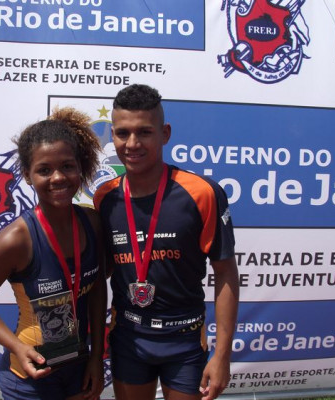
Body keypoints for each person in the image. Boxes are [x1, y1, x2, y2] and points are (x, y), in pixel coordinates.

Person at [93, 84, 239, 400]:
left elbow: (226, 272)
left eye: (144, 132)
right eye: (122, 133)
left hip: (184, 339)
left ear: (165, 133)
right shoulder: (104, 197)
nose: (132, 143)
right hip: (129, 336)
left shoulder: (202, 193)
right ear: (113, 136)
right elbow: (104, 269)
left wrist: (222, 355)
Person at [0, 107, 107, 400]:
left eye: (67, 166)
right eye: (44, 170)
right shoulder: (15, 240)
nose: (58, 177)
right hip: (31, 378)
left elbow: (97, 287)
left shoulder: (92, 222)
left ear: (80, 167)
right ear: (27, 175)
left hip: (79, 371)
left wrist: (96, 357)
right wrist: (17, 347)